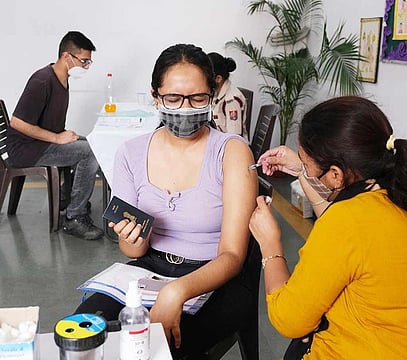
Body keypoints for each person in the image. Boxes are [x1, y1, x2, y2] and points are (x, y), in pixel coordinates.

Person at [75, 44, 258, 359]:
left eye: (198, 98)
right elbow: (134, 251)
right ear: (155, 96)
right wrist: (131, 239)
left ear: (212, 95)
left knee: (154, 347)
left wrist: (179, 290)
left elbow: (232, 256)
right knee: (83, 332)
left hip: (216, 274)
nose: (185, 109)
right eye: (173, 98)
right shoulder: (131, 153)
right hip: (151, 268)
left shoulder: (231, 152)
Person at [250, 96, 407, 359]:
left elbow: (288, 320)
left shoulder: (347, 222)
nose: (304, 166)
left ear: (336, 174)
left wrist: (270, 246)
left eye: (306, 162)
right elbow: (349, 236)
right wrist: (302, 170)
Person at [6, 31, 103, 240]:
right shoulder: (42, 81)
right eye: (84, 61)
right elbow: (17, 123)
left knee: (90, 143)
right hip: (26, 150)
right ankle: (75, 217)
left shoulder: (62, 79)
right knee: (88, 152)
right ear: (67, 56)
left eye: (89, 63)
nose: (86, 67)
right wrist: (59, 139)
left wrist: (66, 135)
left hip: (40, 144)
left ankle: (71, 200)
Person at [208, 52, 248, 141]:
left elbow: (234, 138)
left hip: (230, 150)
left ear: (218, 79)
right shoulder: (216, 94)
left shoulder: (231, 100)